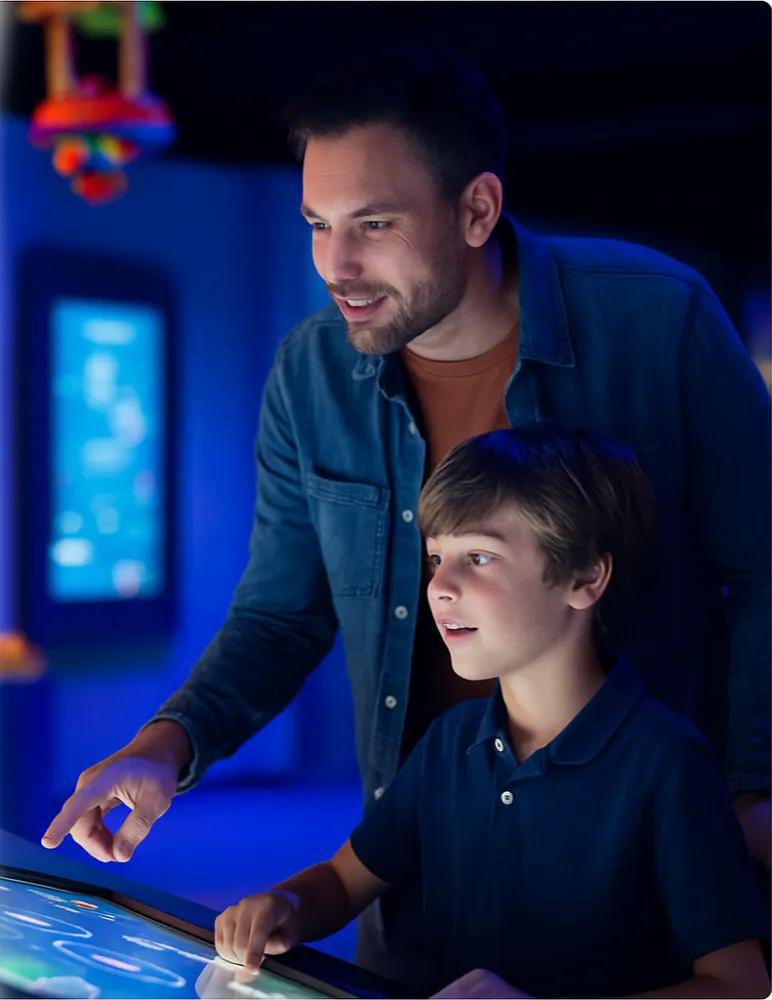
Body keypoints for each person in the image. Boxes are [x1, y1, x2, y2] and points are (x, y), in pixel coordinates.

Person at [42, 47, 771, 984]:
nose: (335, 265)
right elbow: (279, 612)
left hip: (635, 884)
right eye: (316, 224)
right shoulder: (309, 374)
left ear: (476, 209)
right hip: (422, 869)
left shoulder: (658, 318)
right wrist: (160, 749)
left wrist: (752, 790)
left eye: (374, 223)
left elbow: (760, 570)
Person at [212, 424, 770, 1000]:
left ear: (585, 578)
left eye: (478, 557)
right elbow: (341, 879)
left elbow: (740, 984)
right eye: (435, 558)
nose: (440, 588)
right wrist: (287, 906)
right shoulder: (449, 742)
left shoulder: (667, 764)